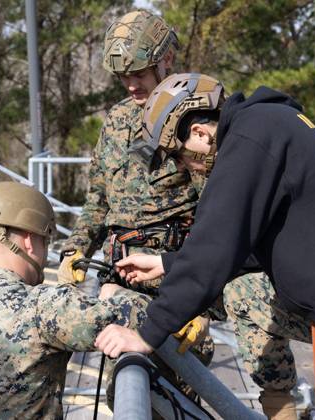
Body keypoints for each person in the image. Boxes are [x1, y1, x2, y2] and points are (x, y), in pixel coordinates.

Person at [95, 72, 315, 419]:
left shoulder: (248, 140)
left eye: (179, 156)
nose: (184, 165)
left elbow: (216, 243)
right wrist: (169, 263)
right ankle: (281, 412)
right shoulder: (264, 125)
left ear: (199, 133)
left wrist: (146, 335)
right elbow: (245, 245)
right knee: (245, 293)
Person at [57, 8, 214, 366]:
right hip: (120, 281)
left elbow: (216, 217)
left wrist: (202, 301)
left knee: (179, 394)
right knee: (126, 388)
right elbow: (98, 199)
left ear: (167, 60)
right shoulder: (116, 119)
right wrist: (75, 249)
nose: (131, 85)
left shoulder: (198, 118)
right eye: (123, 76)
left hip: (174, 283)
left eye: (139, 74)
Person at [0, 182, 150, 419]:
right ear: (29, 241)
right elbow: (137, 313)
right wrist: (113, 293)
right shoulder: (41, 306)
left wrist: (65, 290)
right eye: (45, 241)